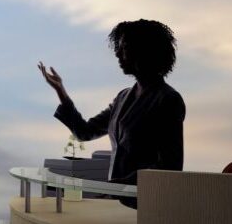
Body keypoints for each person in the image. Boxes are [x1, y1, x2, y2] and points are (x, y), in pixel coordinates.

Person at [38, 19, 185, 207]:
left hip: (146, 205)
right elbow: (84, 132)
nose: (117, 54)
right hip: (116, 201)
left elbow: (170, 167)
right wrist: (61, 91)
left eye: (123, 48)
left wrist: (120, 185)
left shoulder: (168, 100)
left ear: (143, 51)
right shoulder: (122, 97)